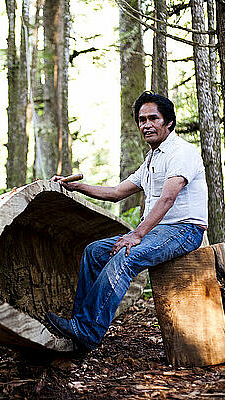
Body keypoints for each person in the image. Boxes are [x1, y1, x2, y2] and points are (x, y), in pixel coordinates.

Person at [46, 91, 208, 351]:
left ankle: (88, 331)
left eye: (153, 118)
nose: (146, 125)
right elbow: (116, 193)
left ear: (168, 122)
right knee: (94, 252)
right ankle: (79, 323)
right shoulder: (152, 159)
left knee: (127, 255)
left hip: (184, 230)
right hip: (159, 232)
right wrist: (76, 187)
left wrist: (136, 235)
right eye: (142, 120)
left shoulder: (182, 152)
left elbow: (167, 200)